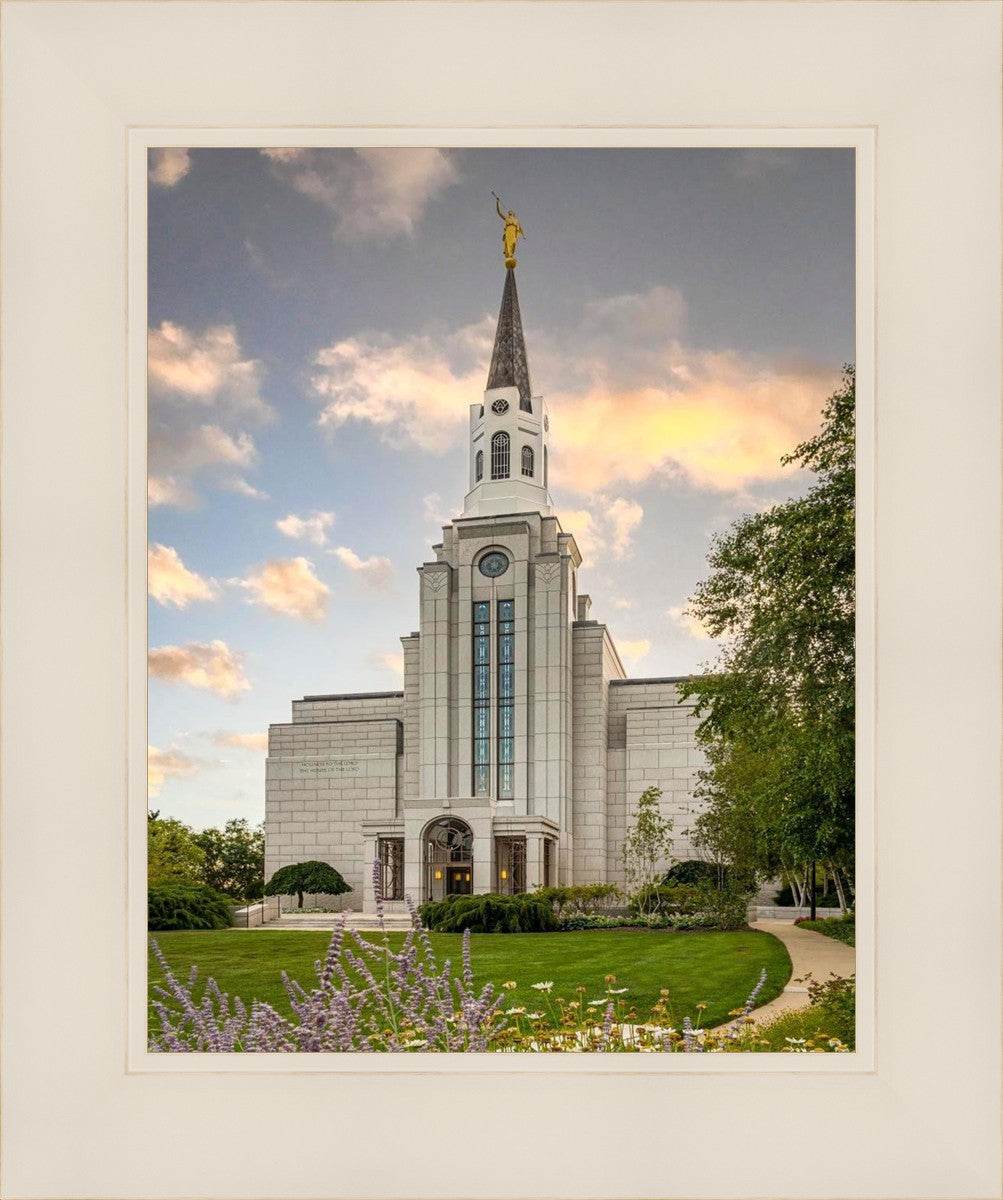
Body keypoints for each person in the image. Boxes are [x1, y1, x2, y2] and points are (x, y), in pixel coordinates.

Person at [495, 196, 525, 262]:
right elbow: (499, 212)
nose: (509, 213)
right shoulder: (507, 219)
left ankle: (511, 254)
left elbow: (520, 229)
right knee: (508, 244)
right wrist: (497, 202)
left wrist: (523, 235)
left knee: (513, 243)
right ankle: (510, 255)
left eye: (511, 212)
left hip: (514, 232)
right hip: (508, 232)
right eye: (509, 212)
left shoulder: (516, 221)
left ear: (513, 214)